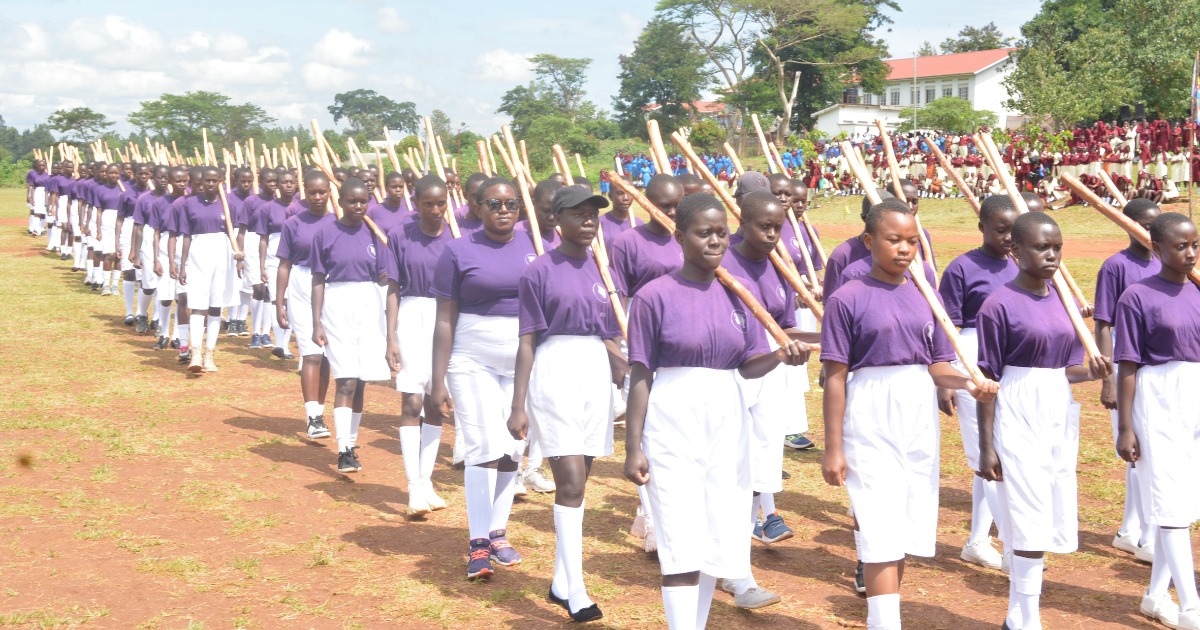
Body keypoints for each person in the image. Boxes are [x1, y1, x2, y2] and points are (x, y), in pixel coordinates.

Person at [623, 192, 808, 630]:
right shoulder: (654, 297)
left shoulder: (737, 295)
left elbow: (746, 366)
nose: (715, 241)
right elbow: (641, 374)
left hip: (728, 418)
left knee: (717, 536)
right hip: (672, 418)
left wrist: (781, 356)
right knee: (680, 538)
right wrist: (633, 447)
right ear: (680, 236)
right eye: (703, 233)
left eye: (721, 233)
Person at [822, 198, 998, 630]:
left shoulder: (927, 296)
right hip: (869, 410)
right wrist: (833, 447)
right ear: (869, 241)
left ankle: (887, 616)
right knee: (879, 522)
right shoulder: (847, 298)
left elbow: (937, 364)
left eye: (912, 241)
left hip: (917, 411)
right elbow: (835, 377)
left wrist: (967, 382)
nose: (904, 249)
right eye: (893, 239)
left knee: (905, 520)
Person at [976, 212, 1112, 630]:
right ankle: (1030, 617)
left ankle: (1017, 616)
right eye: (1041, 247)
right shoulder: (998, 304)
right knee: (1028, 513)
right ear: (1016, 251)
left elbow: (1062, 368)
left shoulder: (1063, 300)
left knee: (1043, 510)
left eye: (1057, 247)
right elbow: (988, 379)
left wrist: (1092, 372)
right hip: (1016, 408)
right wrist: (987, 444)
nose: (1051, 255)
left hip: (1056, 407)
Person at [508, 186, 624, 623]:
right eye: (578, 213)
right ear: (557, 220)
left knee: (581, 483)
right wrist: (518, 404)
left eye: (594, 213)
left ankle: (560, 579)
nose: (589, 220)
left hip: (595, 372)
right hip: (554, 372)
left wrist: (626, 366)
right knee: (570, 483)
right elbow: (527, 341)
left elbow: (609, 333)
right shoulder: (539, 271)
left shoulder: (602, 269)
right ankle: (577, 589)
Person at [430, 176, 538, 580]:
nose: (504, 211)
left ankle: (498, 532)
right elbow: (444, 319)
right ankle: (477, 543)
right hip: (471, 357)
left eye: (511, 204)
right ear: (477, 207)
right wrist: (437, 379)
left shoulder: (535, 246)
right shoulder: (457, 250)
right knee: (481, 446)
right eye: (494, 204)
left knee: (513, 447)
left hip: (522, 359)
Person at [719, 191, 816, 609]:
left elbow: (789, 326)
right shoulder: (722, 264)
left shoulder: (781, 266)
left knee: (758, 473)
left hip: (770, 378)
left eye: (778, 227)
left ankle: (736, 569)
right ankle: (728, 568)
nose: (773, 234)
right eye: (764, 226)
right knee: (730, 473)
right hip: (730, 375)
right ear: (742, 223)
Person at [1114, 212, 1200, 630]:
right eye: (1180, 246)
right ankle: (1191, 606)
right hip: (1158, 398)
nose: (1190, 253)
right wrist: (1125, 426)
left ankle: (1153, 596)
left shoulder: (1198, 291)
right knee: (1169, 506)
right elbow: (1127, 364)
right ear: (1157, 248)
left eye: (1195, 245)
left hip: (1195, 397)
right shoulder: (1137, 295)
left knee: (1183, 506)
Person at [937, 195, 1020, 572]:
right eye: (1000, 230)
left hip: (1009, 364)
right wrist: (948, 379)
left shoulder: (1021, 263)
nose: (1007, 237)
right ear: (982, 227)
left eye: (1012, 231)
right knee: (984, 454)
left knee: (998, 453)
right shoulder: (962, 268)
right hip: (971, 359)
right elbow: (947, 326)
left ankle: (977, 540)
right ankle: (1014, 544)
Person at [1094, 198, 1161, 563]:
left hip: (1158, 366)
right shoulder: (1115, 266)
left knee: (1147, 452)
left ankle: (1129, 530)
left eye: (1156, 225)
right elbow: (1103, 322)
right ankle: (1144, 534)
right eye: (1144, 225)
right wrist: (1108, 379)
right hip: (1127, 363)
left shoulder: (1166, 261)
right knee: (1137, 451)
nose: (1150, 232)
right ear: (1128, 226)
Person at [383, 174, 455, 517]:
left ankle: (426, 480)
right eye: (428, 203)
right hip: (412, 316)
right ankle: (413, 486)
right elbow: (393, 289)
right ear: (417, 202)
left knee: (436, 402)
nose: (436, 210)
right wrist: (390, 336)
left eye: (441, 203)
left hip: (447, 318)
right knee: (412, 402)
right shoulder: (399, 235)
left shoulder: (456, 238)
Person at [310, 178, 390, 473]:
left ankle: (352, 443)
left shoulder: (374, 234)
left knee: (360, 381)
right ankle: (343, 448)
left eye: (363, 201)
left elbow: (383, 275)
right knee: (345, 378)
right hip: (337, 305)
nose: (358, 206)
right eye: (352, 201)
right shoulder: (326, 233)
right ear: (340, 201)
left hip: (368, 303)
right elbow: (318, 278)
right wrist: (316, 321)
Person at [275, 170, 336, 440]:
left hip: (332, 287)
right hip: (301, 285)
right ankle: (312, 417)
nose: (318, 197)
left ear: (330, 193)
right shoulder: (293, 223)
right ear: (304, 192)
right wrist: (280, 302)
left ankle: (319, 412)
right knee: (311, 353)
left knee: (326, 356)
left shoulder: (338, 223)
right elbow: (284, 264)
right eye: (312, 192)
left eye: (322, 192)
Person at [178, 166, 241, 374]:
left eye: (215, 180)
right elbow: (186, 235)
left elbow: (235, 233)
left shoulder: (228, 203)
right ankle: (195, 352)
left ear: (221, 181)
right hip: (198, 255)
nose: (211, 184)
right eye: (207, 180)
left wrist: (238, 253)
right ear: (201, 181)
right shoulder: (190, 204)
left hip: (222, 256)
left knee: (216, 306)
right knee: (198, 305)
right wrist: (183, 265)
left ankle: (209, 353)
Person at [257, 169, 299, 357]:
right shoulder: (268, 208)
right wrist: (262, 265)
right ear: (278, 185)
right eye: (284, 182)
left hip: (296, 260)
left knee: (290, 301)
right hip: (275, 260)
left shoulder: (302, 208)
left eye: (292, 182)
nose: (288, 185)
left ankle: (285, 344)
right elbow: (263, 238)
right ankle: (280, 344)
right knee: (277, 299)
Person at [240, 169, 277, 349]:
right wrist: (239, 255)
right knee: (258, 288)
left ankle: (266, 333)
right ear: (260, 182)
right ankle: (255, 332)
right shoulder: (251, 201)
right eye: (268, 181)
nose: (272, 184)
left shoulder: (280, 203)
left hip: (272, 243)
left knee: (270, 291)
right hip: (254, 241)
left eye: (274, 181)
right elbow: (242, 230)